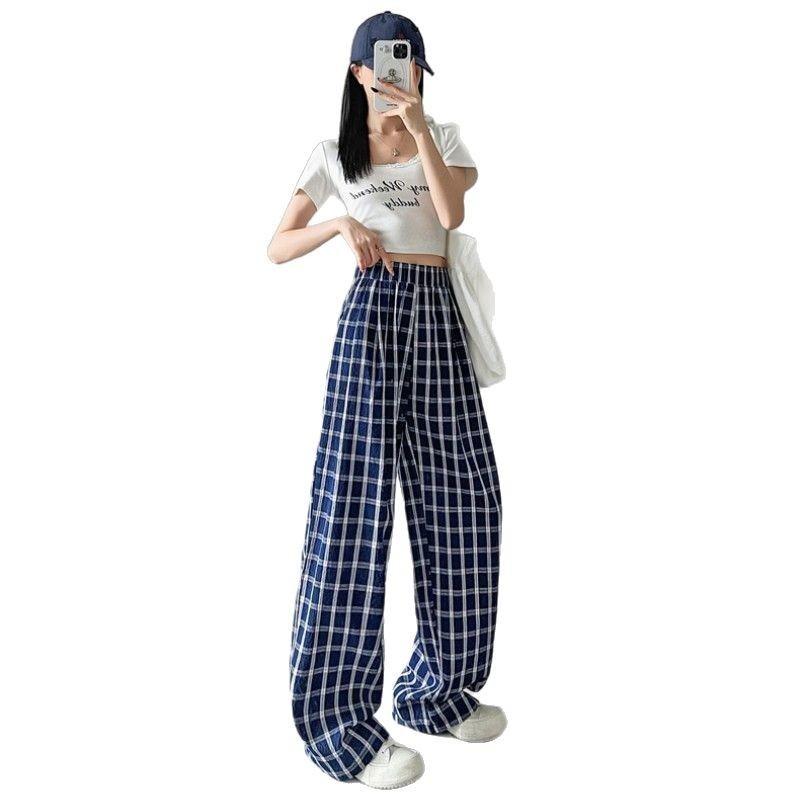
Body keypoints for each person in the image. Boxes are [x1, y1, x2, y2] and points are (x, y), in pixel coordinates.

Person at [268, 11, 505, 790]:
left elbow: (451, 215)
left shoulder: (447, 137)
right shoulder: (330, 154)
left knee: (464, 499)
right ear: (359, 71)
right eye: (386, 66)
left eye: (412, 67)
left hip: (438, 316)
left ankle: (438, 692)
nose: (400, 77)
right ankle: (338, 721)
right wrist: (338, 225)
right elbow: (276, 245)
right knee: (353, 509)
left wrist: (420, 126)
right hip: (372, 315)